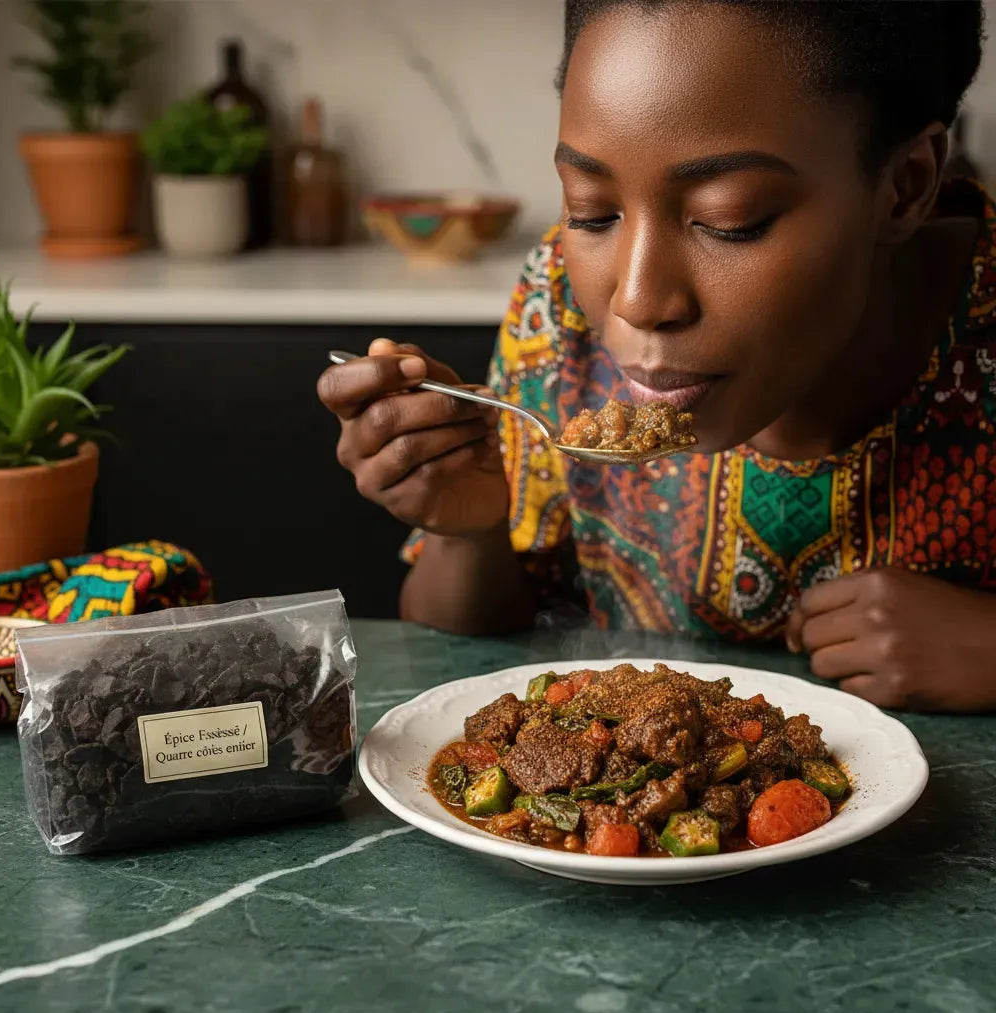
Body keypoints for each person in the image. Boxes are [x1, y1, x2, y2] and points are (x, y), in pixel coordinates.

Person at [319, 0, 996, 712]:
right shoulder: (558, 309)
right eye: (592, 211)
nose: (638, 300)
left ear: (905, 188)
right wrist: (462, 528)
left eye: (728, 221)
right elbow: (464, 650)